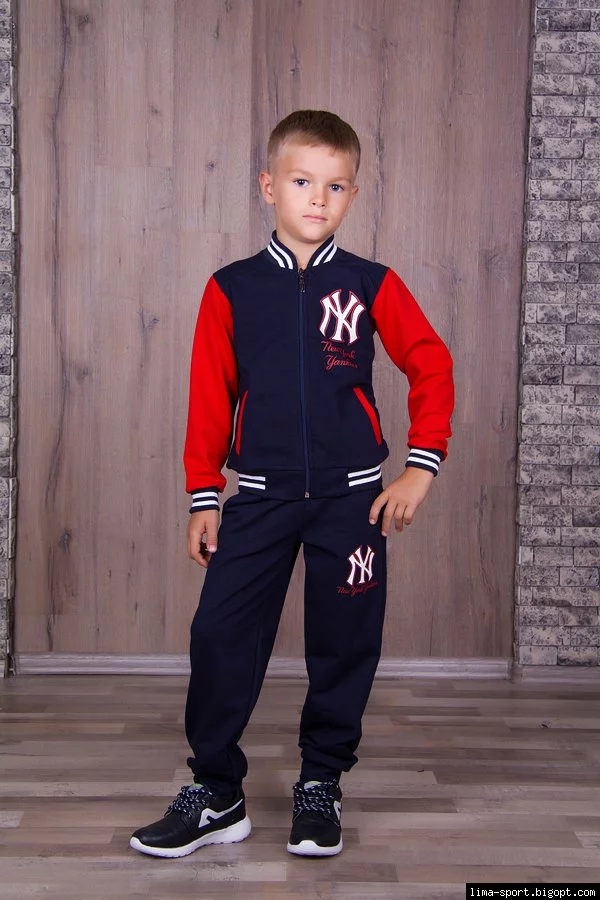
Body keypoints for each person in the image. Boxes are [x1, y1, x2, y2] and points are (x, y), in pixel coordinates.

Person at [130, 109, 454, 860]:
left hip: (353, 501)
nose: (319, 198)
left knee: (344, 643)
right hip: (262, 497)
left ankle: (321, 783)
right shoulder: (232, 289)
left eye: (336, 186)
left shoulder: (372, 284)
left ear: (352, 195)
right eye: (303, 182)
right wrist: (204, 494)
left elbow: (431, 365)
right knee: (219, 635)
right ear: (268, 186)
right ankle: (217, 792)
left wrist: (420, 467)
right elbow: (210, 396)